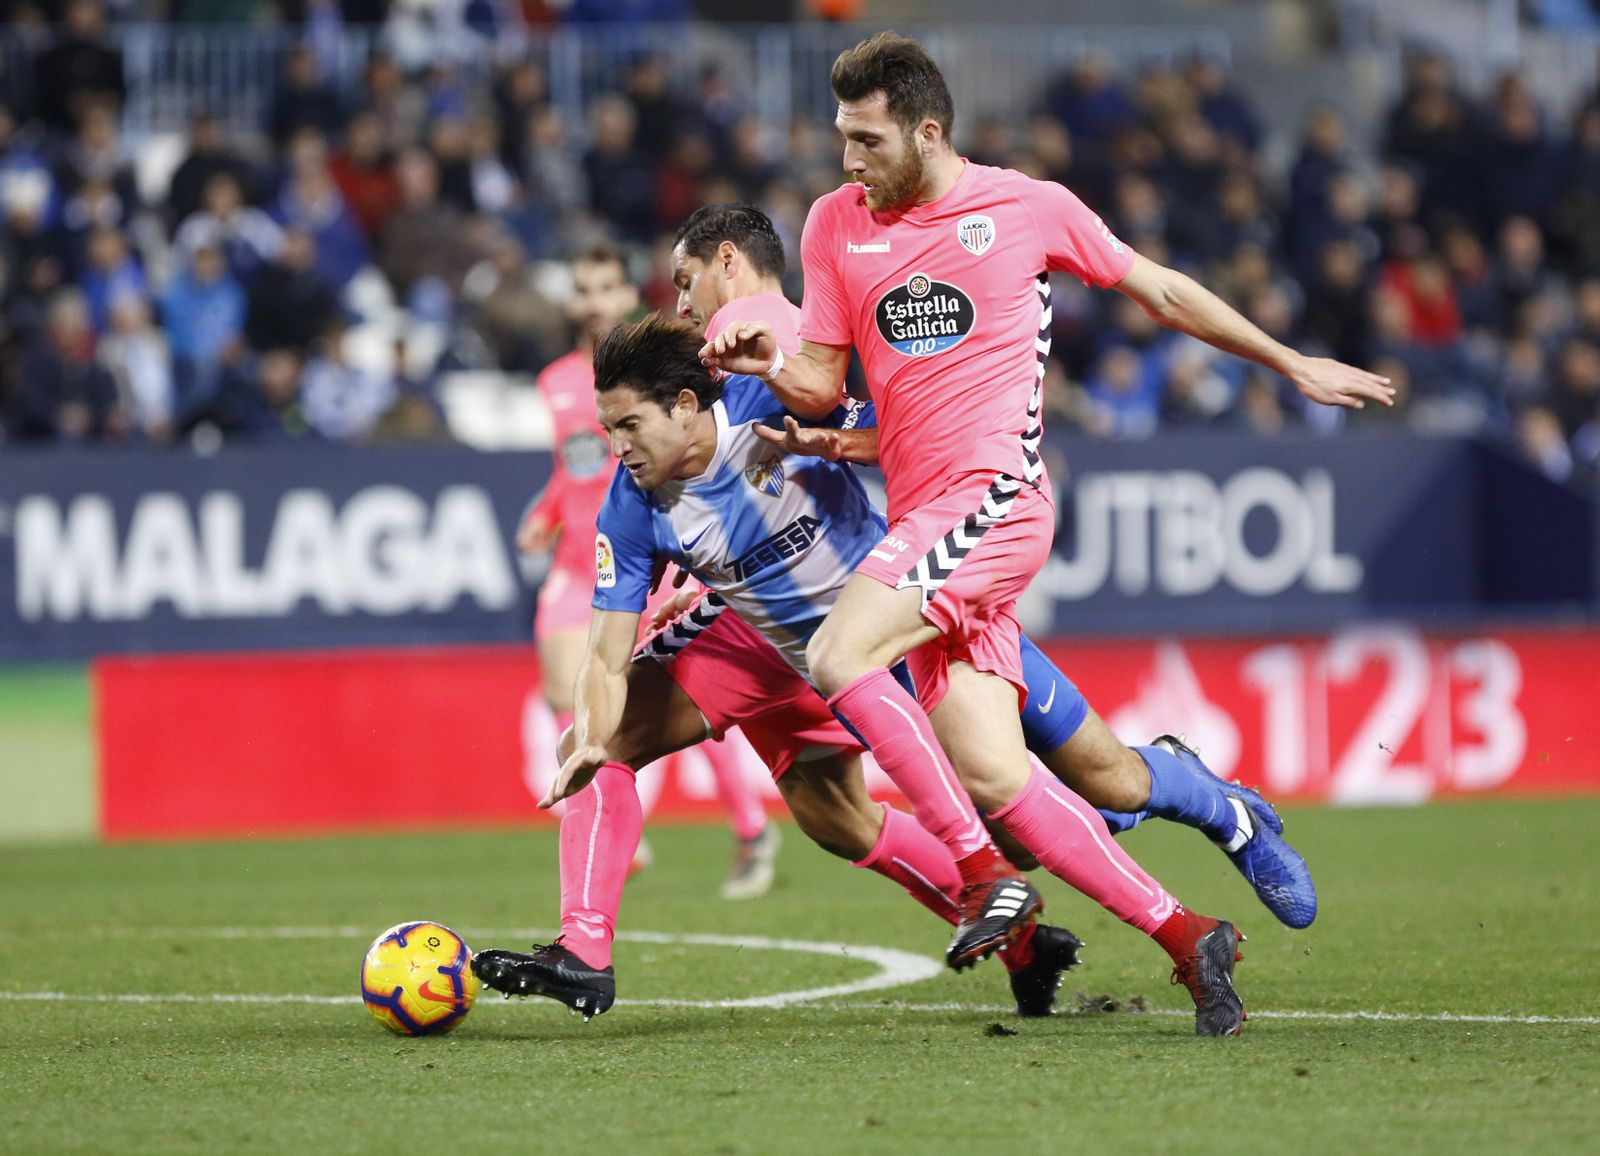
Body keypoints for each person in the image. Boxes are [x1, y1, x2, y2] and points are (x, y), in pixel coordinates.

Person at [700, 34, 1392, 1031]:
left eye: (865, 138)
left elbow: (1156, 288)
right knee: (1001, 774)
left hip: (992, 502)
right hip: (922, 518)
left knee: (839, 649)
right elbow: (820, 378)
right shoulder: (833, 224)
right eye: (839, 138)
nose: (847, 160)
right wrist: (768, 359)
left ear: (926, 130)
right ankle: (1197, 912)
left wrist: (1290, 363)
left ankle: (982, 876)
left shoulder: (1026, 207)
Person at [473, 316, 1249, 1035]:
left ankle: (1183, 930)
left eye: (628, 426)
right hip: (766, 647)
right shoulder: (632, 505)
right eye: (607, 429)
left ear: (684, 405)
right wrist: (589, 741)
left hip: (887, 636)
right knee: (621, 747)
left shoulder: (767, 403)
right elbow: (607, 656)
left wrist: (842, 442)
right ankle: (584, 951)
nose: (616, 447)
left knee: (1025, 804)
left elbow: (900, 434)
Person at [675, 202, 1316, 930]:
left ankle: (1217, 829)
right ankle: (1202, 796)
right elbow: (854, 443)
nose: (680, 302)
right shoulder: (731, 376)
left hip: (909, 595)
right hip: (912, 587)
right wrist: (827, 444)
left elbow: (817, 397)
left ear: (728, 261)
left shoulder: (772, 332)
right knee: (1058, 807)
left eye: (684, 280)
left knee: (1047, 802)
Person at [519, 244, 780, 900]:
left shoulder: (657, 375)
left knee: (677, 691)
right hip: (578, 561)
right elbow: (573, 469)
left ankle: (750, 826)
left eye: (607, 287)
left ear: (625, 294)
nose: (596, 301)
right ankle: (592, 810)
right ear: (573, 299)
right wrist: (546, 513)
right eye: (584, 289)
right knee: (563, 687)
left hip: (651, 555)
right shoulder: (555, 382)